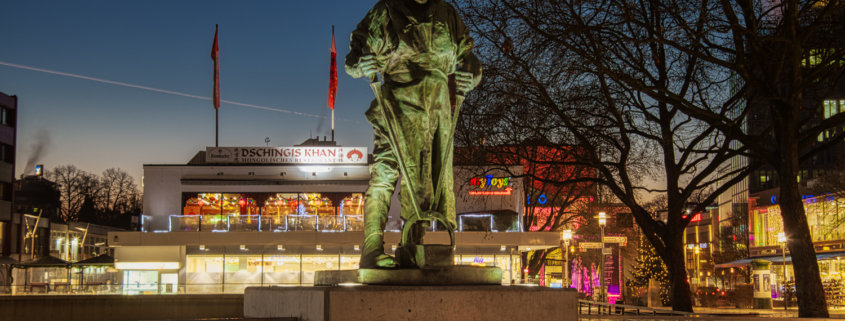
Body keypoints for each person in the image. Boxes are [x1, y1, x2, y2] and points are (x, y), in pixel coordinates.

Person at [346, 0, 482, 268]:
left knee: (427, 178)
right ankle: (372, 247)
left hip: (437, 107)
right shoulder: (387, 10)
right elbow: (355, 57)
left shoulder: (446, 13)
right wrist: (360, 65)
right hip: (398, 104)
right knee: (385, 172)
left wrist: (473, 72)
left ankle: (413, 246)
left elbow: (467, 55)